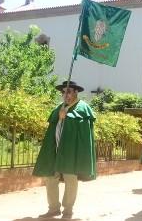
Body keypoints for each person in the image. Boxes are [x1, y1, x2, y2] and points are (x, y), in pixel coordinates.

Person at [33, 80, 96, 219]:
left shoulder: (83, 108)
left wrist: (66, 117)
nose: (65, 94)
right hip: (55, 150)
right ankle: (53, 208)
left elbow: (83, 134)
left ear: (75, 92)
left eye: (68, 91)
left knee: (70, 179)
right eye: (63, 92)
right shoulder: (59, 108)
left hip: (71, 152)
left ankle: (68, 210)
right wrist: (60, 116)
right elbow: (53, 127)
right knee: (50, 178)